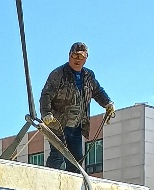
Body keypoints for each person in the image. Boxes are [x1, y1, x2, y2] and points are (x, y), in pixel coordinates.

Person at [39, 42, 115, 172]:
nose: (77, 60)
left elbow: (97, 91)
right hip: (58, 123)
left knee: (77, 158)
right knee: (57, 154)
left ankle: (72, 182)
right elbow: (46, 94)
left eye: (81, 56)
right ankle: (49, 179)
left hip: (77, 125)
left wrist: (108, 103)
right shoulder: (58, 74)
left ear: (86, 58)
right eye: (74, 56)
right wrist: (46, 113)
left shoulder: (89, 76)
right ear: (69, 55)